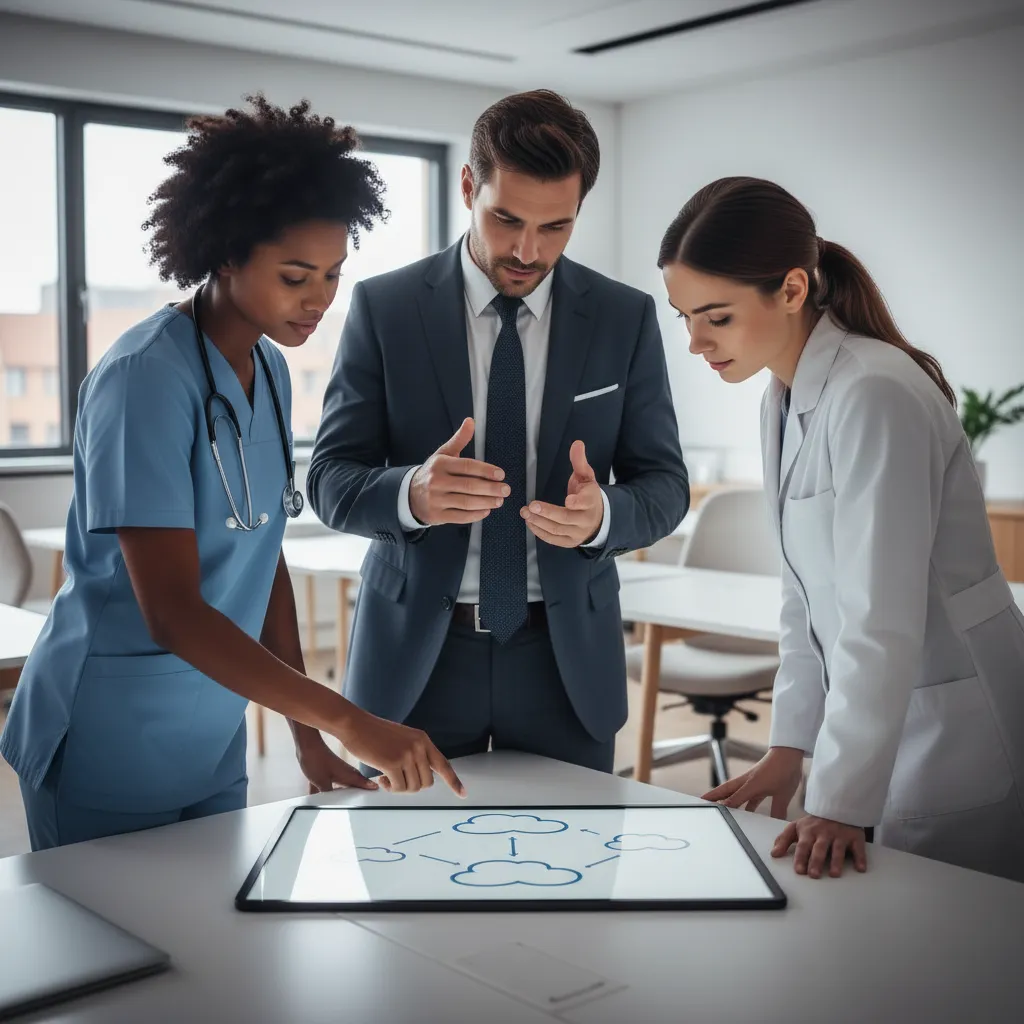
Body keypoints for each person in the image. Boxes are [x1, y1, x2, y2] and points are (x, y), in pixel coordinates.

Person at [1, 95, 464, 852]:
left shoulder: (271, 371)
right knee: (122, 955)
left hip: (212, 723)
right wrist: (345, 717)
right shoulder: (144, 377)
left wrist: (307, 738)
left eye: (333, 275)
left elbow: (260, 550)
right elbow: (173, 612)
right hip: (110, 732)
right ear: (223, 254)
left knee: (218, 950)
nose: (318, 300)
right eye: (294, 275)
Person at [308, 90, 688, 773]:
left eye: (556, 228)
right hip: (418, 663)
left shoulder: (624, 317)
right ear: (467, 186)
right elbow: (329, 478)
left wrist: (605, 515)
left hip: (565, 662)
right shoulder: (384, 308)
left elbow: (665, 485)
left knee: (575, 871)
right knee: (406, 872)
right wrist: (411, 495)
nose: (526, 250)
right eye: (506, 218)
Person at [658, 176, 1024, 883]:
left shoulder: (875, 392)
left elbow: (878, 617)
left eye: (717, 316)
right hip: (892, 707)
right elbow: (803, 598)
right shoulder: (782, 396)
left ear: (792, 290)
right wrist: (792, 745)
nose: (697, 341)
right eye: (684, 317)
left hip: (952, 712)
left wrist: (837, 799)